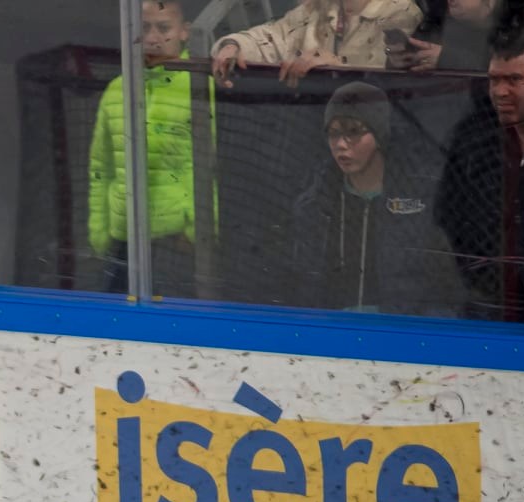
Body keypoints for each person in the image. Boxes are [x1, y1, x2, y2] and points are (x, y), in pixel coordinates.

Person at [289, 82, 460, 314]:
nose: (341, 145)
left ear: (379, 134)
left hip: (403, 336)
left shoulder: (422, 201)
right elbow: (302, 288)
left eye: (353, 132)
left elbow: (445, 288)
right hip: (329, 335)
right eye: (334, 133)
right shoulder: (314, 205)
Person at [434, 32, 524, 319]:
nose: (500, 91)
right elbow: (448, 218)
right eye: (494, 80)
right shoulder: (474, 143)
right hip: (484, 305)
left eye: (514, 80)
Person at [86, 0, 206, 295]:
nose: (153, 38)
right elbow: (101, 169)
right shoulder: (117, 89)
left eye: (163, 28)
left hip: (177, 241)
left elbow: (208, 166)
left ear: (184, 32)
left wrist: (196, 230)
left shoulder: (201, 87)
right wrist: (100, 232)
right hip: (122, 239)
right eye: (144, 28)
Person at [210, 0, 423, 84]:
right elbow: (275, 36)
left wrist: (338, 66)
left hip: (373, 140)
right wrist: (234, 45)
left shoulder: (403, 14)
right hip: (313, 130)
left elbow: (387, 80)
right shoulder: (320, 7)